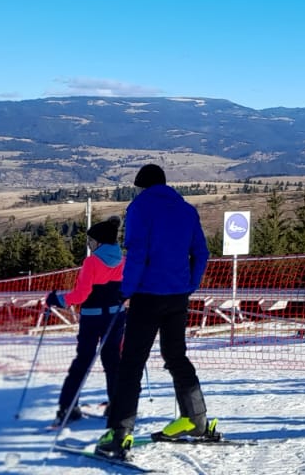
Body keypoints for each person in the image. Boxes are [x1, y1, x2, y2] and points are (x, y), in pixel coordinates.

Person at [96, 164, 214, 460]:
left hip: (147, 295)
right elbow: (201, 253)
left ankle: (120, 433)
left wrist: (126, 291)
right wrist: (190, 284)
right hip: (177, 295)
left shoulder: (139, 208)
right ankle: (195, 419)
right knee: (176, 356)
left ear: (141, 186)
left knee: (132, 362)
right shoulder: (187, 209)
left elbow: (137, 254)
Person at [45, 217, 126, 428]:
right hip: (116, 316)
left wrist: (58, 299)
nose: (89, 245)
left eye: (90, 241)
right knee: (113, 362)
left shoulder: (91, 262)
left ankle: (68, 408)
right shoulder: (123, 260)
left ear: (98, 242)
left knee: (83, 361)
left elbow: (81, 295)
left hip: (92, 317)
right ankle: (117, 407)